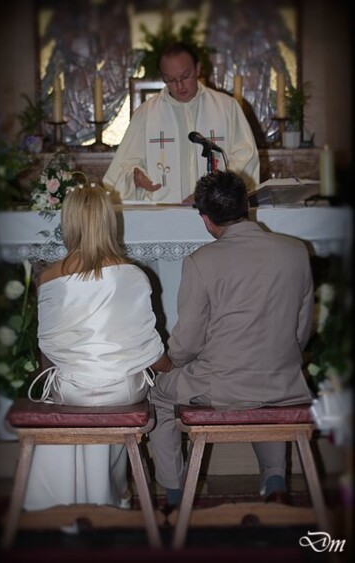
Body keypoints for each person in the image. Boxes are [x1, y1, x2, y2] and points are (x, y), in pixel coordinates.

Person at [148, 169, 314, 506]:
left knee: (159, 397)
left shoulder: (201, 261)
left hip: (222, 384)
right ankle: (275, 480)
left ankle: (176, 492)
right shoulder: (296, 251)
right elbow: (301, 329)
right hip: (284, 383)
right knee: (265, 393)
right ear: (246, 205)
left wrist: (169, 364)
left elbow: (186, 346)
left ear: (206, 220)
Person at [24, 182, 171, 514]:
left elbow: (46, 350)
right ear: (109, 221)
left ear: (69, 222)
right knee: (117, 398)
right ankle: (113, 494)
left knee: (64, 394)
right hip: (124, 389)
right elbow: (149, 350)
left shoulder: (48, 278)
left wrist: (62, 381)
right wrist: (173, 366)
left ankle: (61, 503)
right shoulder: (134, 275)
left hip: (72, 389)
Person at [103, 42, 260, 203]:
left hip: (216, 212)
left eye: (185, 76)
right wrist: (135, 176)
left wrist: (212, 193)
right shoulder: (146, 114)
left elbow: (245, 157)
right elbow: (124, 167)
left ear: (197, 69)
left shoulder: (227, 107)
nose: (179, 86)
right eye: (170, 80)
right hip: (164, 213)